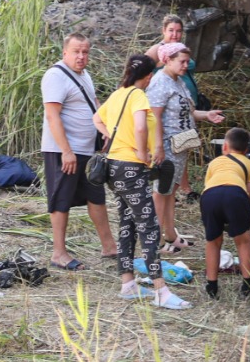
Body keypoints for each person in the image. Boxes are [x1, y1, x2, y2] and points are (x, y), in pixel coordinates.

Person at [100, 54, 192, 309]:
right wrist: (142, 152)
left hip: (114, 167)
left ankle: (128, 283)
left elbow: (97, 119)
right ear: (149, 76)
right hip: (132, 167)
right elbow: (141, 127)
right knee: (149, 226)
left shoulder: (118, 94)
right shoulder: (138, 95)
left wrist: (115, 141)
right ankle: (161, 290)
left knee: (127, 223)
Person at [40, 33, 117, 270]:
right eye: (76, 52)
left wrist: (104, 130)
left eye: (85, 52)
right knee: (61, 199)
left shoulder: (84, 75)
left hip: (87, 150)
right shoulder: (55, 76)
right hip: (63, 150)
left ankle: (109, 247)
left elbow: (93, 104)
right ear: (65, 52)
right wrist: (66, 151)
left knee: (96, 196)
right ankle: (58, 253)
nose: (81, 56)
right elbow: (52, 115)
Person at [147, 42, 225, 254]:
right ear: (167, 60)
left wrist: (206, 115)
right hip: (167, 145)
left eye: (187, 61)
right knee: (161, 191)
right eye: (182, 61)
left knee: (171, 190)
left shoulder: (179, 80)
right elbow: (154, 117)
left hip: (181, 144)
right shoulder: (160, 82)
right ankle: (154, 240)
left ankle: (170, 234)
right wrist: (157, 147)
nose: (186, 65)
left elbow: (189, 112)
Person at [145, 15, 204, 202]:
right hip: (168, 113)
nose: (175, 34)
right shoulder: (158, 51)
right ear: (163, 31)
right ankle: (178, 189)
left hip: (183, 108)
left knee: (181, 152)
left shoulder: (181, 50)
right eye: (171, 30)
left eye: (179, 31)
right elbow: (140, 68)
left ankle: (182, 187)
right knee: (167, 174)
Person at [200, 127, 250, 299]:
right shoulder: (249, 164)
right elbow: (248, 193)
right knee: (243, 241)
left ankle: (212, 286)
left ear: (225, 146)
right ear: (246, 150)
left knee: (213, 241)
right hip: (236, 194)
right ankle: (247, 287)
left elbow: (209, 185)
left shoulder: (214, 162)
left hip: (210, 196)